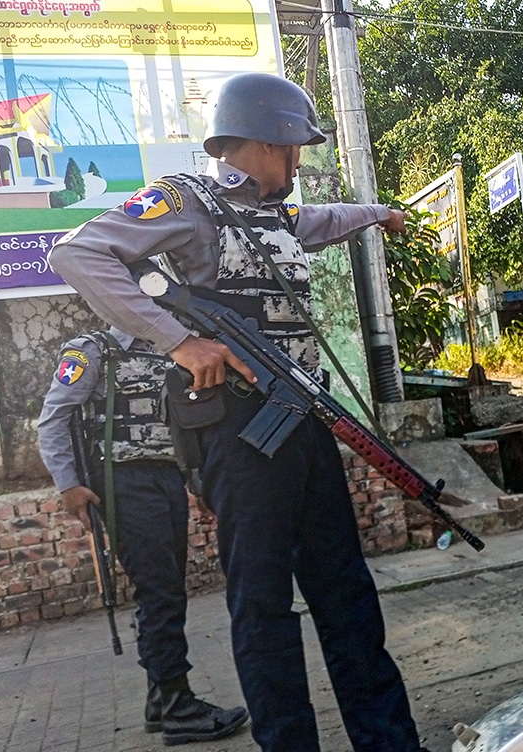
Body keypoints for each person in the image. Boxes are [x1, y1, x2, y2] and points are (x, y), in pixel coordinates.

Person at [47, 72, 427, 752]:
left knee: (348, 599)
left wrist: (377, 213)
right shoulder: (187, 203)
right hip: (240, 436)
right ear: (269, 139)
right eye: (296, 148)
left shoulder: (274, 215)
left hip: (304, 424)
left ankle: (390, 742)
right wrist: (182, 341)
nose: (300, 162)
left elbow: (321, 221)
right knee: (263, 609)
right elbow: (79, 253)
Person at [36, 329, 249, 746]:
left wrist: (198, 482)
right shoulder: (92, 350)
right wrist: (68, 484)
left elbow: (178, 426)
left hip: (166, 477)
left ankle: (160, 699)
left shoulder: (170, 349)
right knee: (160, 592)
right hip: (121, 481)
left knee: (168, 590)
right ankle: (179, 707)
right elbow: (53, 417)